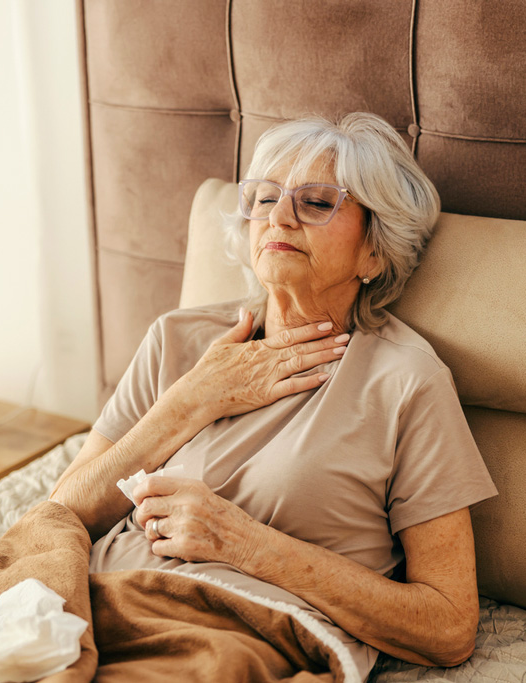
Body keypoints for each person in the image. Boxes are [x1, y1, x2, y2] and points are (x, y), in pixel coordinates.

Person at [49, 112, 497, 677]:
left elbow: (449, 626)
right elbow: (59, 515)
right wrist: (192, 399)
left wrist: (244, 544)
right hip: (77, 606)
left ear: (374, 253)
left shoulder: (406, 382)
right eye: (264, 199)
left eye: (315, 203)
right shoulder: (178, 338)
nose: (279, 216)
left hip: (224, 638)